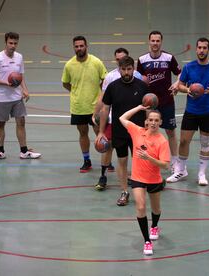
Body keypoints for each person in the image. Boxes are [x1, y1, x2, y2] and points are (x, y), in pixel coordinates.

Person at [167, 38, 209, 185]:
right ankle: (180, 171)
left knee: (205, 143)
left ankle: (202, 174)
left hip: (208, 111)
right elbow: (180, 85)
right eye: (199, 48)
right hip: (191, 111)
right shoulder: (189, 67)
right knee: (184, 142)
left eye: (204, 48)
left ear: (208, 49)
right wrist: (188, 89)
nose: (201, 50)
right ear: (196, 49)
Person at [96, 56, 149, 206]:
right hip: (119, 131)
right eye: (123, 69)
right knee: (122, 161)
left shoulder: (142, 86)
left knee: (139, 161)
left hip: (138, 132)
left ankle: (140, 190)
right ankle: (124, 191)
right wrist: (101, 132)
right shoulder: (113, 87)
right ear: (119, 70)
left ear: (133, 69)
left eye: (129, 69)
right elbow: (105, 109)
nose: (126, 72)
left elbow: (148, 109)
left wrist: (148, 130)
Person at [119, 105, 170, 255]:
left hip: (154, 180)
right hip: (138, 178)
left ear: (160, 122)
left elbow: (165, 165)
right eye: (150, 120)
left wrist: (149, 158)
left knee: (156, 209)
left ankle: (154, 225)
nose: (153, 123)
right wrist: (139, 107)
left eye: (156, 120)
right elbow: (122, 118)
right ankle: (147, 241)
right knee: (141, 207)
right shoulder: (137, 131)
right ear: (146, 122)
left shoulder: (162, 141)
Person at [92, 48, 142, 191]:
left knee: (136, 153)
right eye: (118, 60)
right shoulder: (110, 77)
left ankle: (135, 177)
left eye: (124, 58)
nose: (121, 61)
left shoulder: (137, 76)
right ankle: (103, 176)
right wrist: (95, 113)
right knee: (108, 148)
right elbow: (103, 99)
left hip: (133, 123)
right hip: (113, 121)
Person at [0, 32, 41, 161]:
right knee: (1, 125)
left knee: (21, 123)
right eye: (10, 43)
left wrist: (25, 90)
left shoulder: (19, 57)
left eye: (15, 43)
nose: (13, 46)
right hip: (2, 98)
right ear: (5, 42)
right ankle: (0, 152)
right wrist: (6, 83)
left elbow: (20, 76)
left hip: (16, 97)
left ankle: (24, 151)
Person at [137, 30, 181, 171]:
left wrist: (177, 83)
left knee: (171, 132)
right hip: (150, 104)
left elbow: (180, 73)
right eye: (153, 40)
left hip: (167, 101)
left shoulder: (168, 58)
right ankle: (149, 159)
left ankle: (175, 162)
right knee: (148, 132)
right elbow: (138, 78)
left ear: (161, 42)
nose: (155, 43)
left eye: (157, 41)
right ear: (149, 41)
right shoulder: (142, 60)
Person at [62, 36, 107, 172]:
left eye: (82, 46)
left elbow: (105, 80)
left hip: (96, 107)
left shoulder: (96, 62)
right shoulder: (69, 65)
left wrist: (99, 97)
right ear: (74, 47)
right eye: (77, 46)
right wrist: (76, 93)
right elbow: (65, 83)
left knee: (101, 133)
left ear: (86, 46)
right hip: (78, 107)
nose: (79, 48)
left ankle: (107, 161)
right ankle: (86, 160)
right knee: (82, 133)